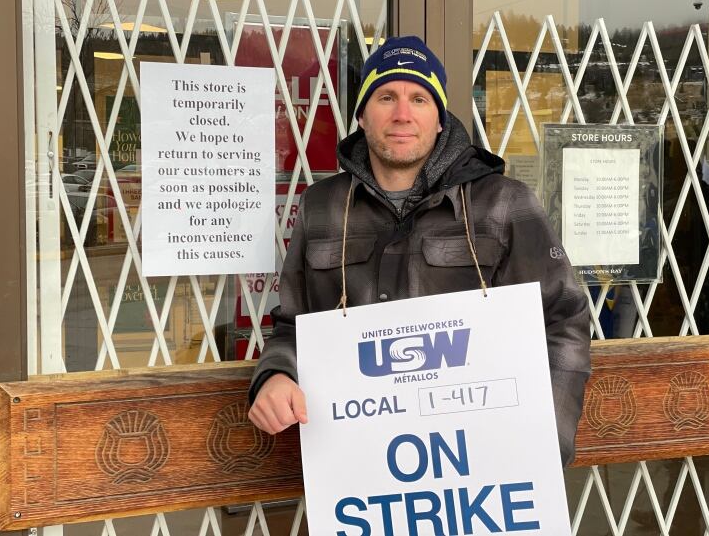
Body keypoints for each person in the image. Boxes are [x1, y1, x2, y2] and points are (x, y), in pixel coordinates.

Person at [248, 35, 591, 465]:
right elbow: (293, 328)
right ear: (362, 116)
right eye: (386, 96)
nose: (403, 114)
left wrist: (546, 441)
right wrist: (276, 374)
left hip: (483, 464)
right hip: (362, 466)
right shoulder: (321, 208)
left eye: (420, 99)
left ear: (440, 118)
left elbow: (564, 321)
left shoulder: (504, 204)